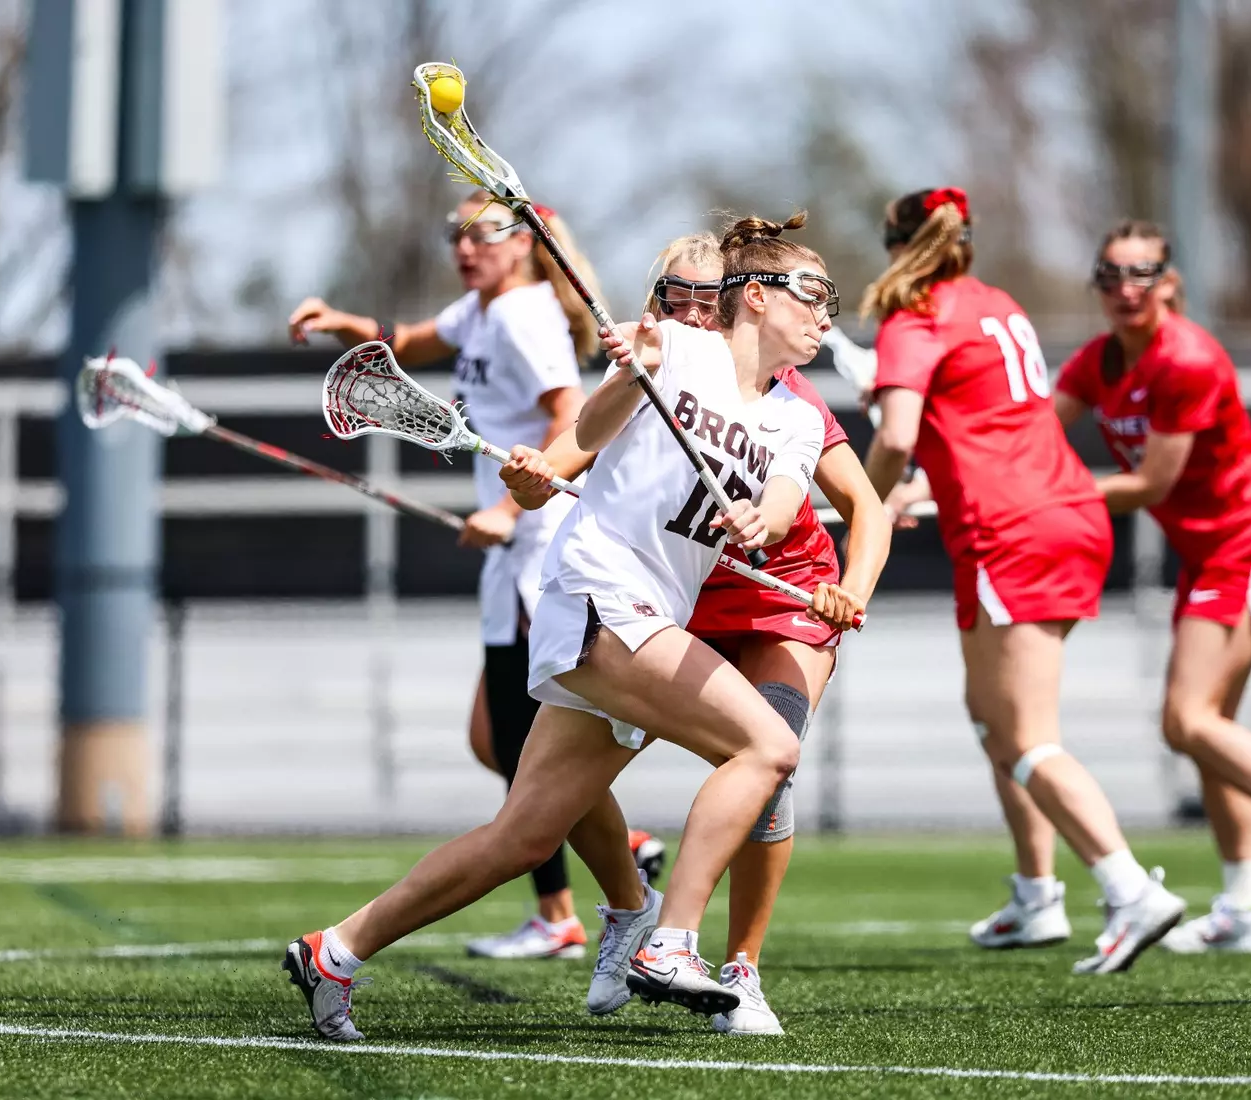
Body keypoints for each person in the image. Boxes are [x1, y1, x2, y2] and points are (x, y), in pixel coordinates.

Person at [283, 212, 860, 1041]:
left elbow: (779, 507)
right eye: (812, 294)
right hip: (600, 595)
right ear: (758, 297)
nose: (824, 316)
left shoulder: (795, 419)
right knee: (767, 747)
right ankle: (671, 943)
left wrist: (755, 522)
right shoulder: (677, 346)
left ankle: (334, 950)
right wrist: (596, 408)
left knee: (522, 837)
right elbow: (579, 440)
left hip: (642, 616)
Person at [502, 231, 890, 1034]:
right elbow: (569, 460)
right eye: (668, 296)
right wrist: (537, 480)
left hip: (783, 596)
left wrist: (847, 591)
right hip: (677, 598)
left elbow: (863, 507)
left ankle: (739, 967)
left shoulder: (788, 400)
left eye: (700, 298)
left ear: (738, 300)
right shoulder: (665, 360)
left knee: (767, 760)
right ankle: (629, 910)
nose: (685, 311)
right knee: (563, 782)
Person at [860, 188, 1185, 975]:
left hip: (1011, 531)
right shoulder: (995, 303)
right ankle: (1036, 894)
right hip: (1053, 515)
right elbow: (983, 427)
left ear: (897, 246)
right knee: (989, 717)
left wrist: (865, 504)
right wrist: (916, 485)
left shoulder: (913, 317)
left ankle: (1128, 888)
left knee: (1025, 736)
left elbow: (896, 438)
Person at [287, 195, 603, 961]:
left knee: (521, 739)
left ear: (523, 243)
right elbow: (409, 341)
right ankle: (613, 855)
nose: (464, 247)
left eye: (481, 233)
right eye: (454, 234)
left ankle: (563, 913)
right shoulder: (480, 311)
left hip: (538, 542)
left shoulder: (525, 316)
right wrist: (342, 321)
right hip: (509, 549)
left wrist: (505, 507)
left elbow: (575, 419)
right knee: (494, 738)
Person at [1046, 219, 1251, 952]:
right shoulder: (1098, 361)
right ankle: (1246, 908)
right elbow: (1030, 436)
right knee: (1210, 728)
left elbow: (1149, 484)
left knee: (1185, 720)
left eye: (1141, 274)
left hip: (1250, 541)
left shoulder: (1187, 359)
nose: (1124, 289)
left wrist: (1042, 495)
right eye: (1110, 275)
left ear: (1168, 283)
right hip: (1208, 552)